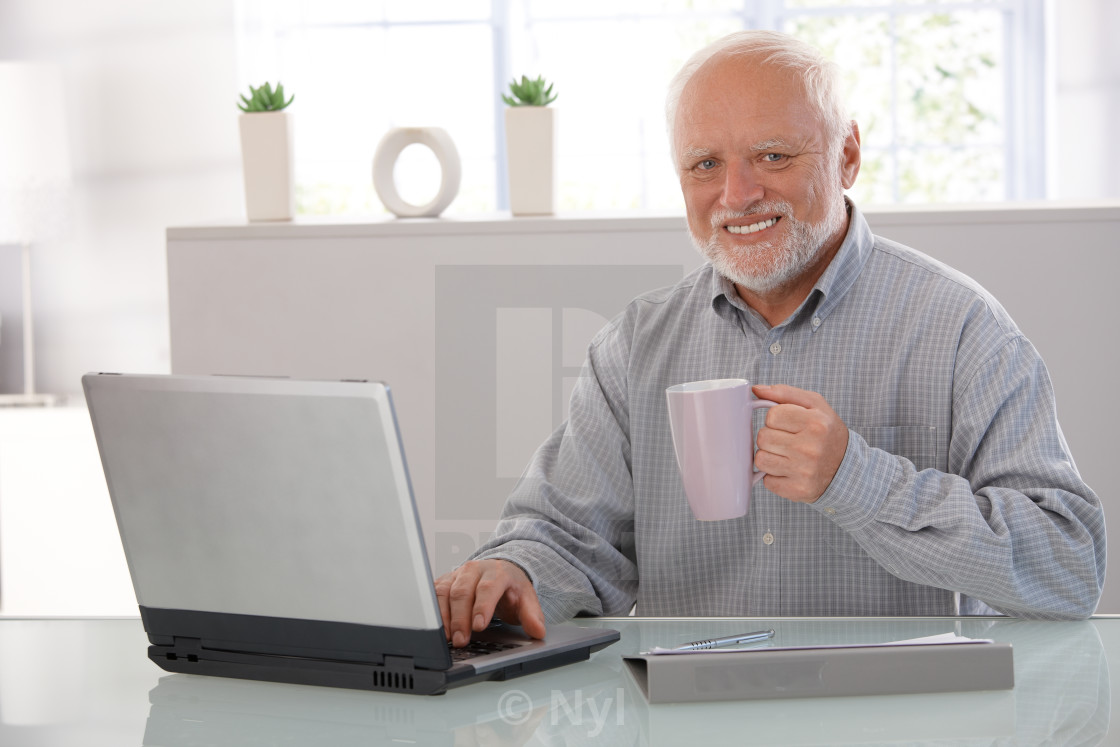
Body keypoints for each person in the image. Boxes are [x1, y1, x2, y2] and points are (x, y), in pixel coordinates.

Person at [435, 30, 1107, 648]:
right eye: (704, 164)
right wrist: (511, 570)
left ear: (847, 156)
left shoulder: (963, 329)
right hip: (690, 720)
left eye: (773, 155)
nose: (737, 193)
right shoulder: (635, 345)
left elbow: (1070, 569)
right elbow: (571, 539)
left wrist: (856, 478)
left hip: (904, 719)